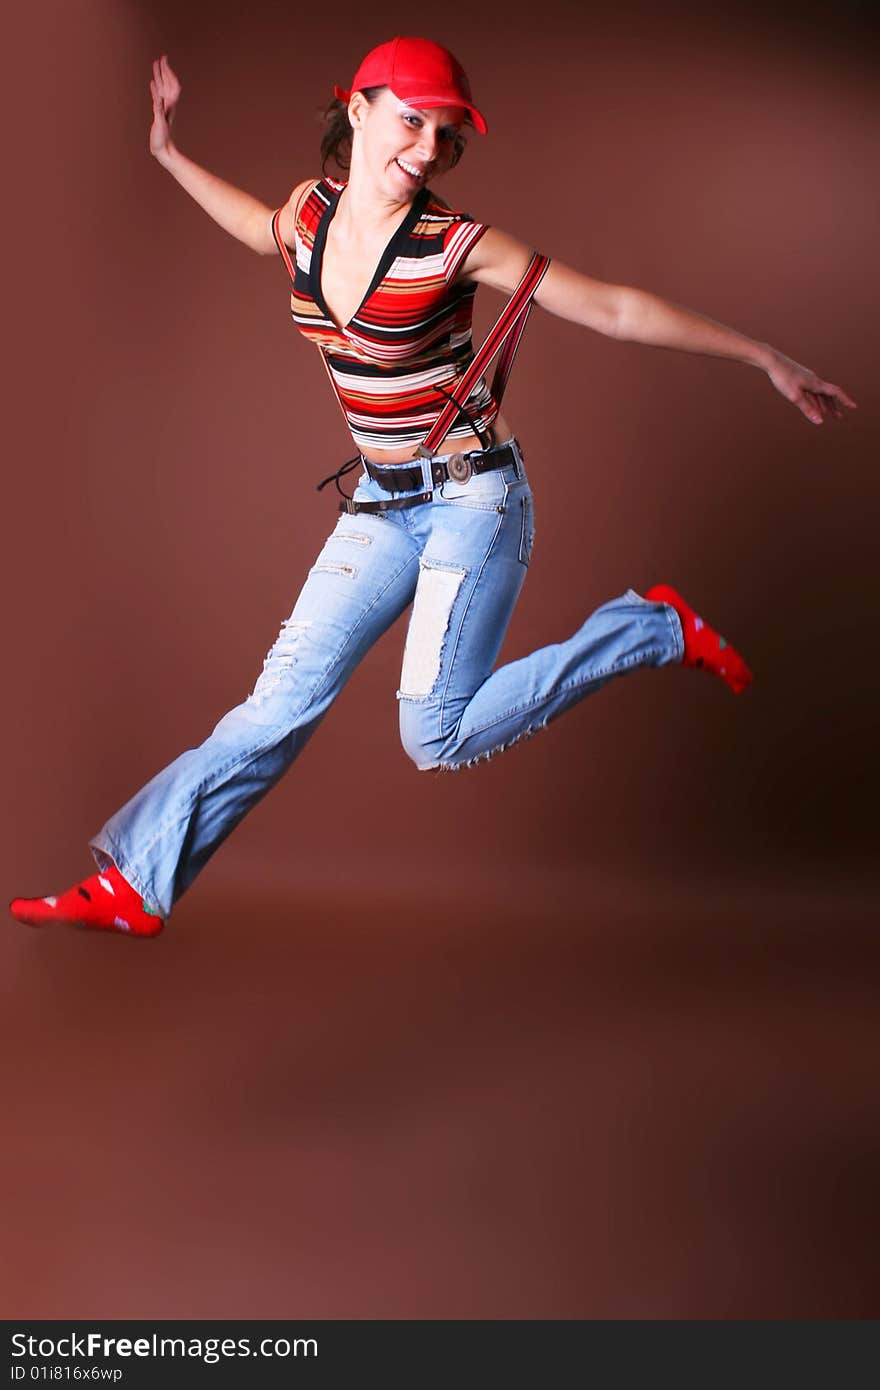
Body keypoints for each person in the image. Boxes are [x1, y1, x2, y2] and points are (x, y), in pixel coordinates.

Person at [10, 37, 856, 938]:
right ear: (359, 108)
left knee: (433, 735)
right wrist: (168, 153)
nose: (424, 150)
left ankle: (647, 629)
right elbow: (257, 223)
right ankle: (138, 879)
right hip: (381, 500)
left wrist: (762, 354)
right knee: (276, 708)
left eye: (444, 136)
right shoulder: (310, 211)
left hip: (471, 502)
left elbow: (610, 306)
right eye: (412, 121)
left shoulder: (457, 245)